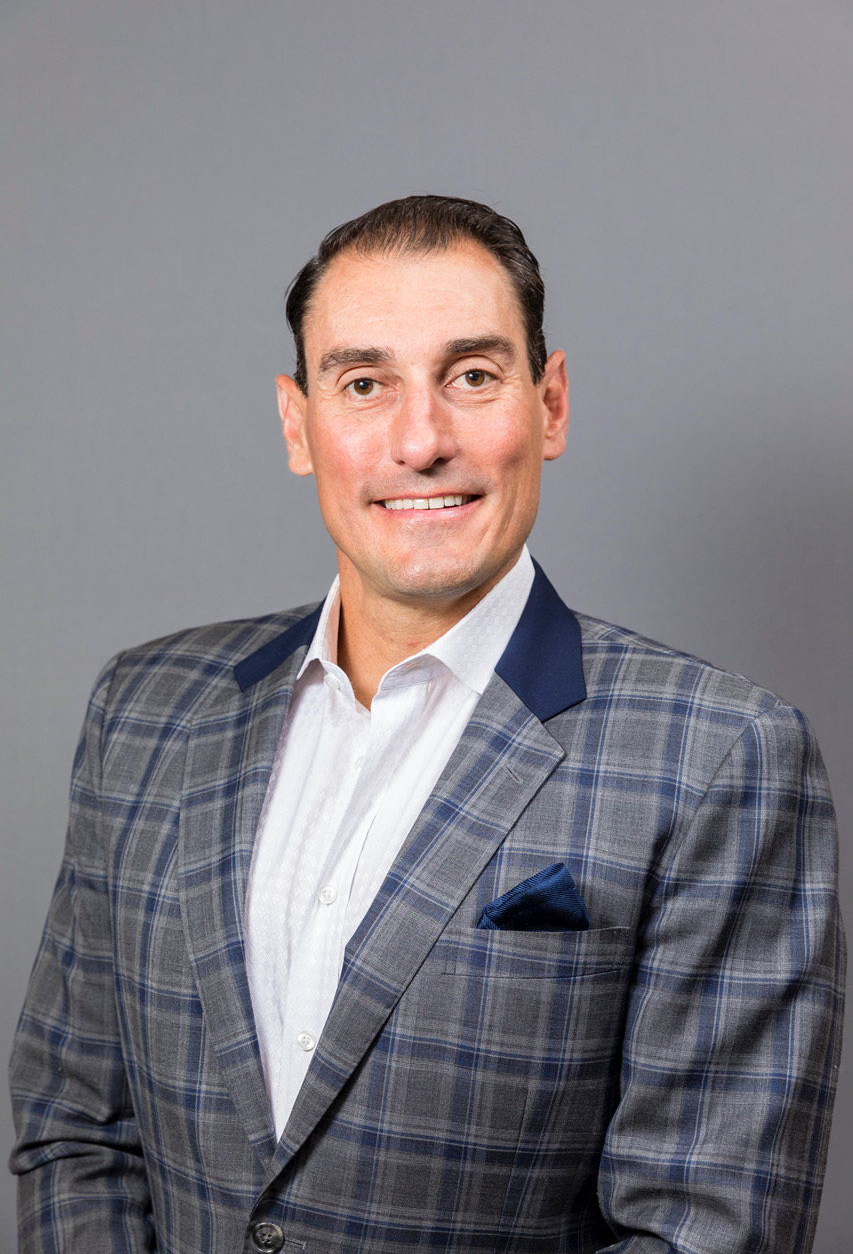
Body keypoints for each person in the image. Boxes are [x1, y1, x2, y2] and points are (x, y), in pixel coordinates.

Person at [9, 195, 845, 1254]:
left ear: (549, 405)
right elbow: (75, 1128)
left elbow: (705, 1230)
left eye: (472, 376)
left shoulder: (719, 756)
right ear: (297, 424)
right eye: (364, 383)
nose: (420, 440)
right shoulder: (144, 710)